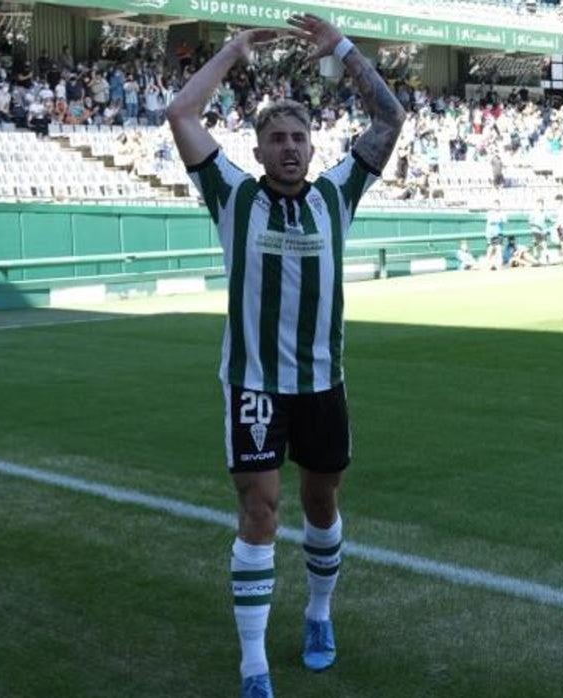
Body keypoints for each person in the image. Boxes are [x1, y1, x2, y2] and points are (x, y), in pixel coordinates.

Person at [166, 13, 404, 698]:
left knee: (321, 502)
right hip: (255, 385)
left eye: (300, 137)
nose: (291, 147)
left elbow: (391, 120)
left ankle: (319, 616)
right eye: (277, 139)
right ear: (260, 149)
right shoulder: (232, 197)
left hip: (323, 383)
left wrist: (347, 52)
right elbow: (180, 112)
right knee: (261, 511)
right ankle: (253, 667)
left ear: (312, 145)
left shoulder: (338, 195)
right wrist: (232, 52)